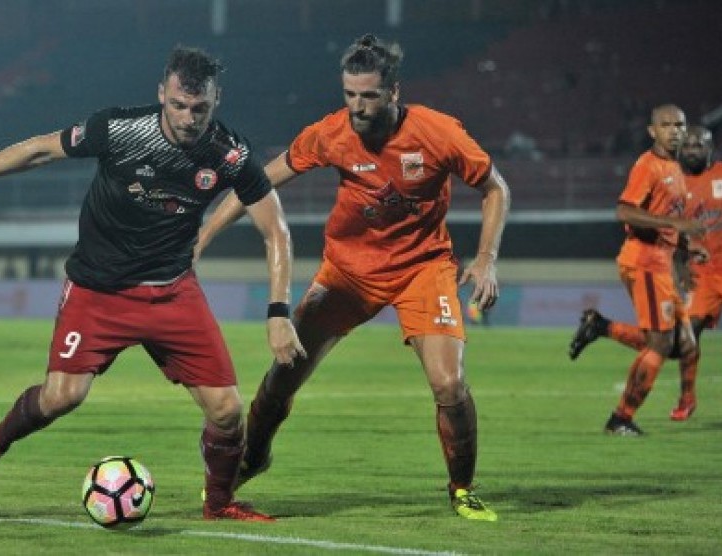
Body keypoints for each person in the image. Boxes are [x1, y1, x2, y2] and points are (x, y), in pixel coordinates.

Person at [0, 46, 305, 522]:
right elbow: (40, 149)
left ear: (216, 101)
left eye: (200, 108)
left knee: (227, 411)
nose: (188, 118)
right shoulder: (120, 130)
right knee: (63, 397)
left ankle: (220, 502)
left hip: (172, 292)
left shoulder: (229, 155)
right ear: (162, 94)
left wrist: (278, 311)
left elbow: (276, 230)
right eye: (179, 105)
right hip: (97, 292)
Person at [196, 34, 510, 522]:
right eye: (349, 94)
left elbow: (495, 188)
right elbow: (256, 182)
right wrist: (203, 235)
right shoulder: (331, 133)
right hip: (347, 274)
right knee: (282, 378)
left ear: (393, 92)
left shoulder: (437, 133)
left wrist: (487, 257)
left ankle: (462, 488)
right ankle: (254, 457)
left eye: (368, 95)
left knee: (449, 384)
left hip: (422, 269)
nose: (357, 107)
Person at [568, 105, 705, 435]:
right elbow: (624, 212)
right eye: (666, 124)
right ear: (652, 131)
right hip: (644, 262)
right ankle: (621, 418)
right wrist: (673, 223)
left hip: (663, 264)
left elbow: (670, 223)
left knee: (684, 345)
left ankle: (601, 326)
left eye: (679, 125)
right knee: (659, 345)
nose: (674, 130)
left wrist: (685, 252)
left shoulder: (675, 167)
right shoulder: (648, 166)